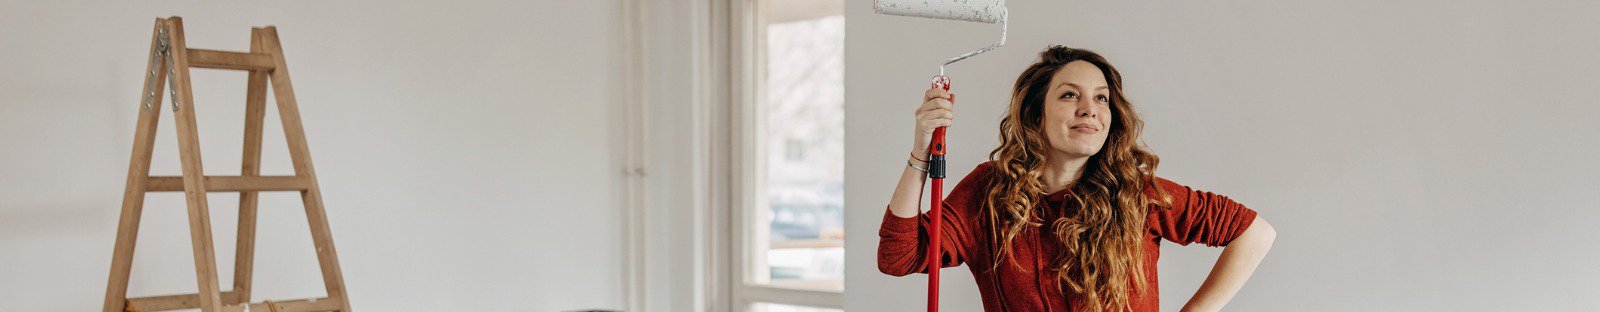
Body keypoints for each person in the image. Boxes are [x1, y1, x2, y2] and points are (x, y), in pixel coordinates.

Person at [879, 45, 1277, 312]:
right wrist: (921, 150)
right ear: (1036, 115)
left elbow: (1254, 233)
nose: (1090, 109)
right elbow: (898, 257)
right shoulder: (989, 192)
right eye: (1070, 95)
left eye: (1101, 98)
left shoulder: (1136, 193)